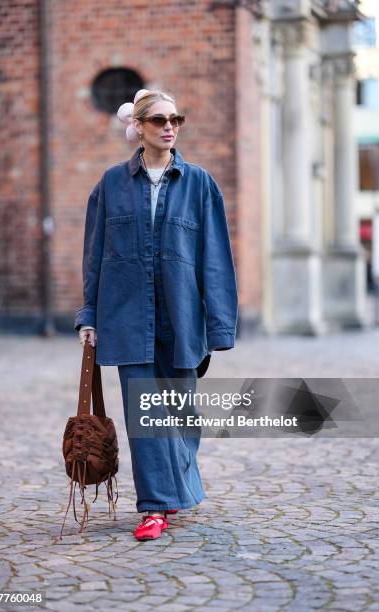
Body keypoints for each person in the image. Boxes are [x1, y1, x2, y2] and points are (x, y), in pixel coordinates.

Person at [75, 89, 238, 540]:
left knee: (182, 416)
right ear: (140, 128)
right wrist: (89, 315)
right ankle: (155, 507)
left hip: (183, 317)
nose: (170, 127)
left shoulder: (200, 183)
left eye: (176, 119)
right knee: (146, 415)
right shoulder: (110, 184)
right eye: (160, 120)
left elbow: (216, 258)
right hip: (127, 317)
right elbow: (95, 256)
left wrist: (220, 325)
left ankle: (178, 491)